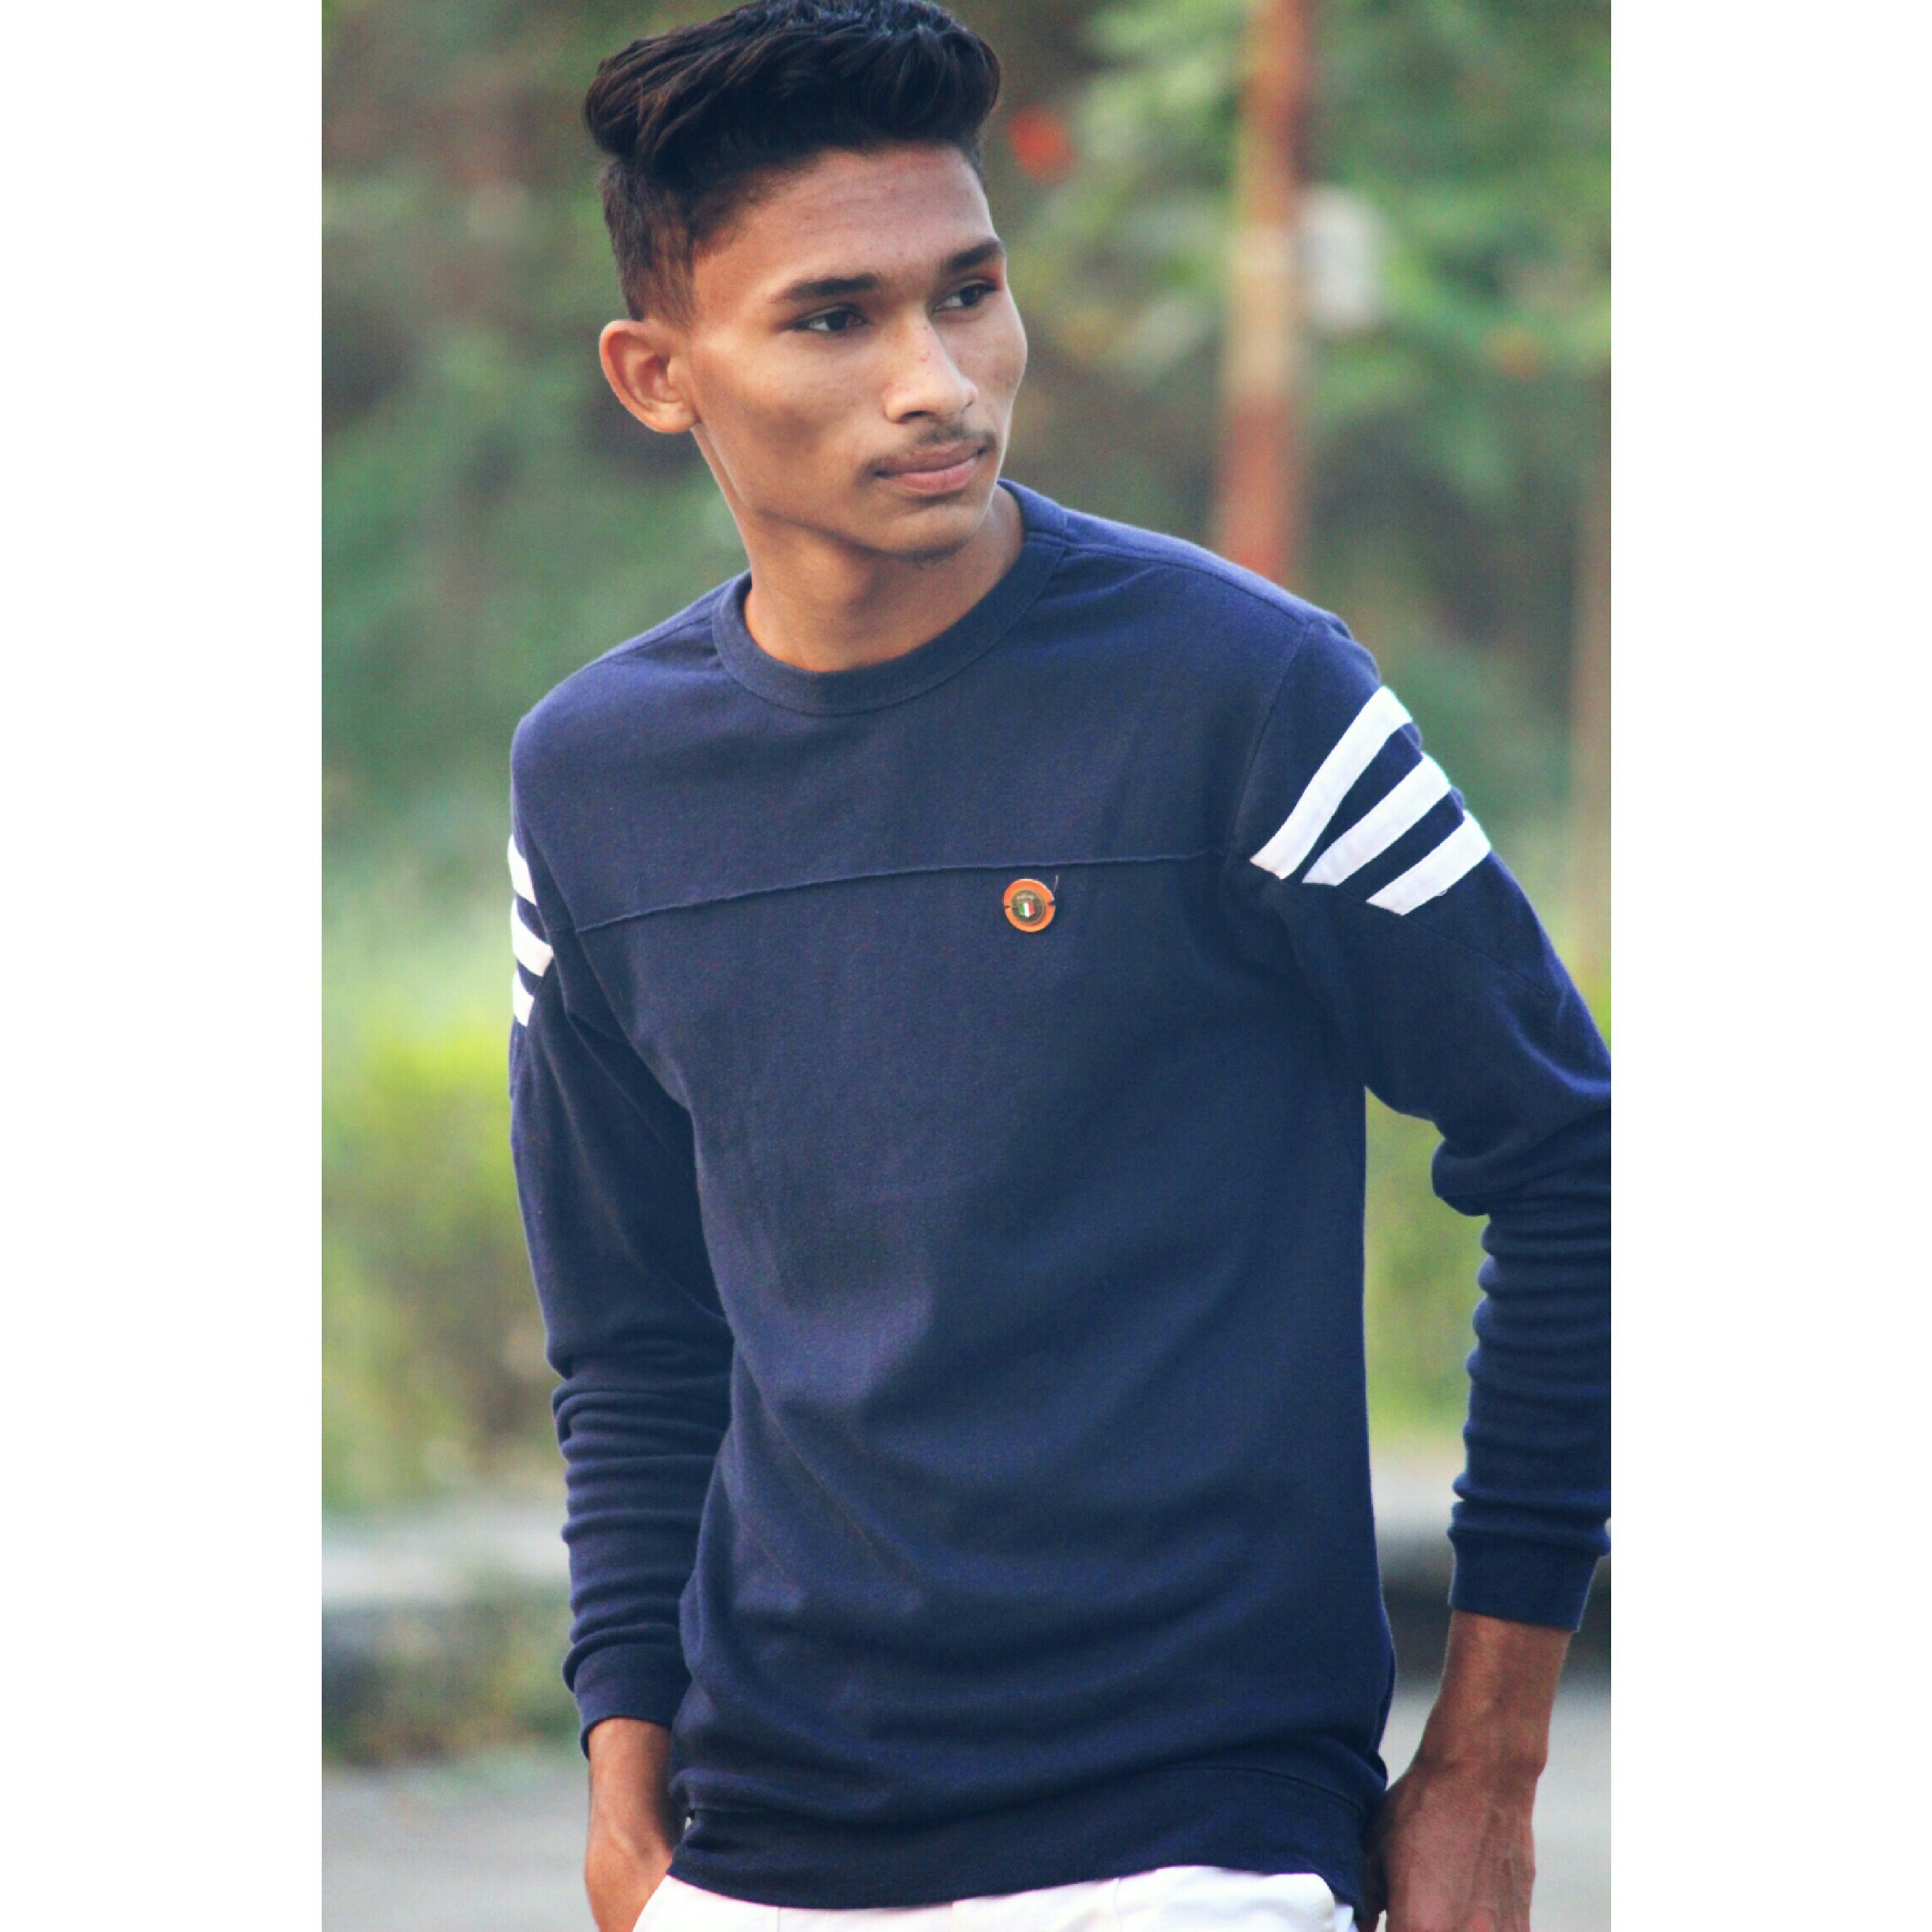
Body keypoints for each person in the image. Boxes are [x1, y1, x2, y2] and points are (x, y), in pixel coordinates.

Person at [506, 5, 1609, 1929]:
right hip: (760, 1854)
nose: (939, 382)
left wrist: (1488, 1760)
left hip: (1193, 1842)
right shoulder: (595, 779)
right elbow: (634, 1336)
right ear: (656, 374)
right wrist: (625, 1783)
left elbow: (1572, 1157)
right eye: (835, 318)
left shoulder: (1245, 695)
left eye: (970, 292)